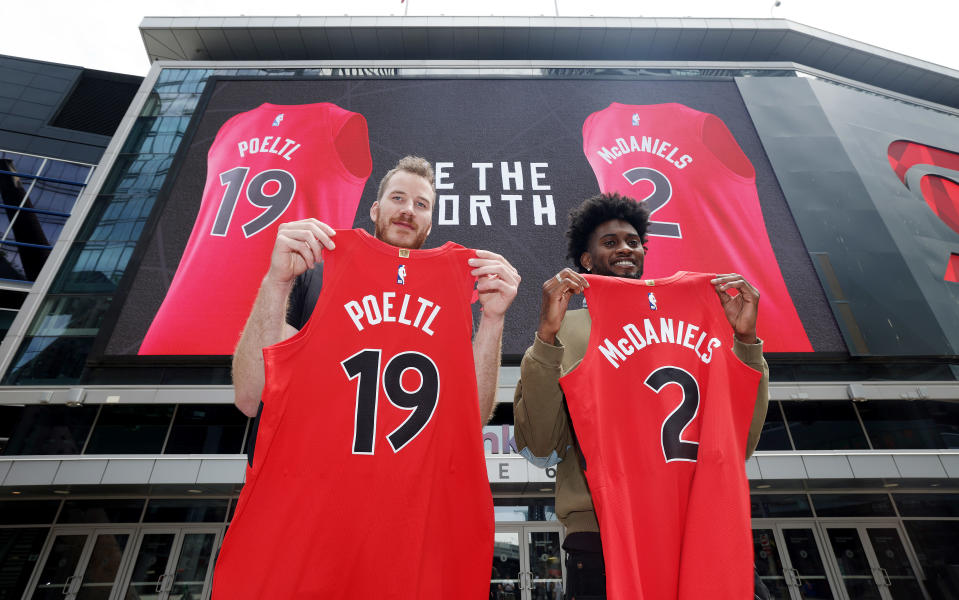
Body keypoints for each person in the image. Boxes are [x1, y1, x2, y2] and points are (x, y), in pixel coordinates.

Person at [513, 193, 770, 600]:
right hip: (602, 532)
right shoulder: (567, 325)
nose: (625, 249)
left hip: (698, 523)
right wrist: (545, 340)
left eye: (633, 241)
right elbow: (542, 444)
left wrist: (746, 342)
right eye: (610, 242)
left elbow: (739, 442)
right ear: (585, 260)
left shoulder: (706, 318)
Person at [233, 155, 520, 424]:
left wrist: (493, 320)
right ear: (375, 209)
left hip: (403, 475)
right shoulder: (314, 275)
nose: (408, 209)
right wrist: (276, 282)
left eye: (421, 204)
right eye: (398, 198)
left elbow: (472, 418)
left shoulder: (449, 301)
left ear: (429, 225)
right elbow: (251, 395)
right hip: (310, 473)